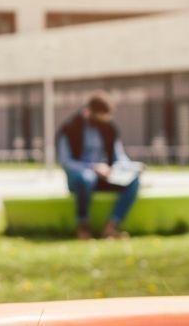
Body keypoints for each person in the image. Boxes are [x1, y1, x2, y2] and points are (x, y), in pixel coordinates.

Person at [55, 91, 140, 240]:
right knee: (86, 178)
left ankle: (111, 227)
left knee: (133, 181)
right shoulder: (69, 129)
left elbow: (119, 157)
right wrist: (93, 167)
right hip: (80, 178)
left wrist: (132, 168)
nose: (103, 122)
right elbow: (66, 161)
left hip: (104, 176)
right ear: (90, 112)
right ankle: (83, 227)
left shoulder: (109, 129)